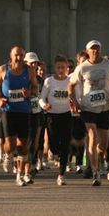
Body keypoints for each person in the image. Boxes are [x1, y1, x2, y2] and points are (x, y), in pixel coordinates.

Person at [68, 40, 109, 186]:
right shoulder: (82, 67)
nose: (95, 51)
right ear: (87, 52)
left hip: (105, 108)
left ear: (100, 50)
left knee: (103, 146)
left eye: (97, 49)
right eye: (92, 49)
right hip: (88, 108)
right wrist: (74, 101)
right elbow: (71, 85)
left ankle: (99, 161)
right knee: (92, 136)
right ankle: (95, 172)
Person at [0, 45, 38, 186]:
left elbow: (35, 88)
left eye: (21, 55)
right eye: (16, 55)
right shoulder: (3, 69)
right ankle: (7, 155)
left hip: (24, 111)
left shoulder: (29, 70)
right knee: (10, 144)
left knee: (23, 146)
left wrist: (29, 93)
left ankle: (19, 175)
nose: (19, 58)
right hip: (8, 110)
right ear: (11, 56)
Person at [39, 55, 73, 185]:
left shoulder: (70, 80)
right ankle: (55, 153)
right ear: (55, 68)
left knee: (65, 144)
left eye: (63, 67)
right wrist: (44, 105)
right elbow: (42, 98)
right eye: (58, 67)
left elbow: (78, 95)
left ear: (67, 69)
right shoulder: (49, 81)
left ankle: (61, 174)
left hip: (66, 115)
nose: (60, 70)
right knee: (53, 143)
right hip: (52, 115)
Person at [24, 51, 43, 183]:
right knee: (25, 141)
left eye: (35, 63)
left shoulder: (41, 80)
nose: (34, 65)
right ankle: (22, 163)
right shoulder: (21, 77)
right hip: (23, 112)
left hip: (37, 112)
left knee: (35, 141)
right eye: (31, 63)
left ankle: (31, 164)